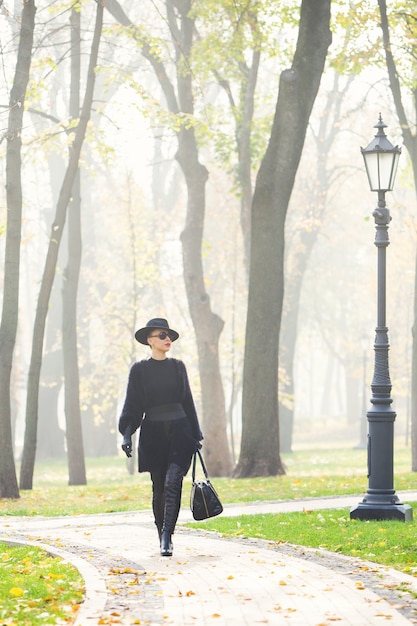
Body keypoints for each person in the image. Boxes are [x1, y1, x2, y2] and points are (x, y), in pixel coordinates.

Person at [118, 317, 203, 557]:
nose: (167, 340)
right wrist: (126, 435)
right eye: (162, 335)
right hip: (153, 435)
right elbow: (132, 406)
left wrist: (196, 435)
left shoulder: (178, 367)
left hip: (181, 433)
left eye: (169, 336)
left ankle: (168, 535)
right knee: (159, 489)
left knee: (172, 483)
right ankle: (160, 533)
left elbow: (188, 402)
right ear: (149, 340)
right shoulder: (139, 371)